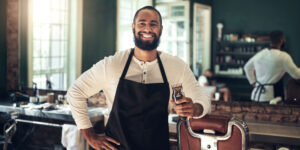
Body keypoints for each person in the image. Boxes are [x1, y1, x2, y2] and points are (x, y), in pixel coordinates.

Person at [67, 6, 210, 150]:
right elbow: (75, 92)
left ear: (161, 29)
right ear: (133, 28)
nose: (147, 29)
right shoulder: (112, 64)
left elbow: (202, 98)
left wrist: (195, 109)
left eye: (153, 24)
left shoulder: (176, 66)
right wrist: (90, 135)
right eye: (142, 23)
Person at [244, 30, 300, 103]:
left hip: (256, 96)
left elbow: (247, 67)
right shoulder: (283, 56)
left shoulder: (261, 54)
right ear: (281, 40)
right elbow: (297, 75)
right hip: (271, 98)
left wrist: (253, 82)